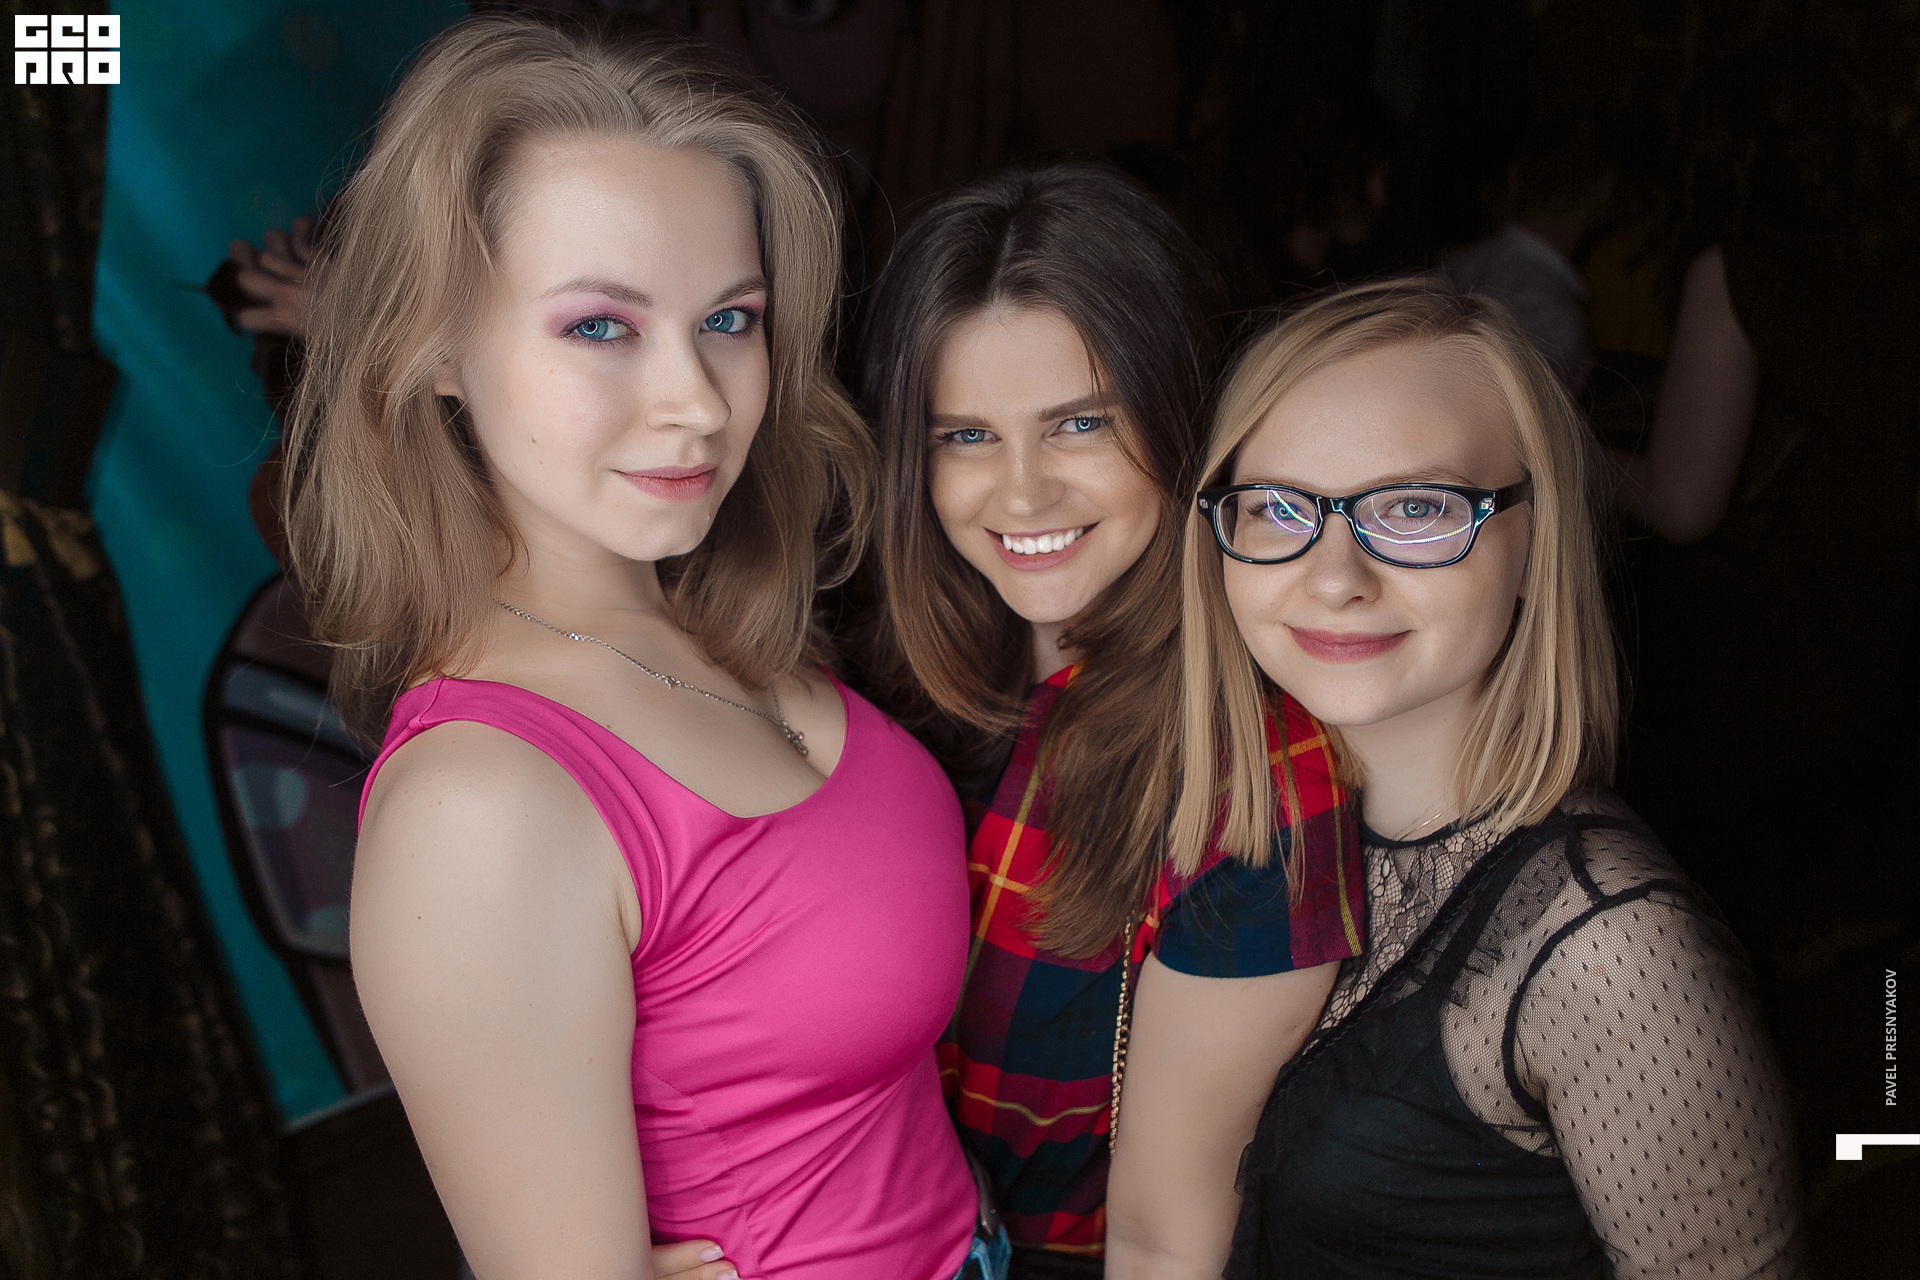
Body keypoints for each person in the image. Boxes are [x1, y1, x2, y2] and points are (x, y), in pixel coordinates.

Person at [283, 16, 992, 1280]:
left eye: (730, 319)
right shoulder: (481, 802)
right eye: (600, 328)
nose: (698, 402)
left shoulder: (713, 621)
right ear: (434, 347)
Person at [1177, 279, 1804, 1277]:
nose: (1334, 576)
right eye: (1279, 507)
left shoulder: (1612, 952)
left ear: (1536, 537)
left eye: (1417, 507)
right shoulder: (1248, 827)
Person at [856, 161, 1366, 1280]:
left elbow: (1163, 1243)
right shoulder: (869, 689)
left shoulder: (1250, 782)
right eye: (965, 436)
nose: (1022, 493)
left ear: (1178, 416)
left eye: (1080, 423)